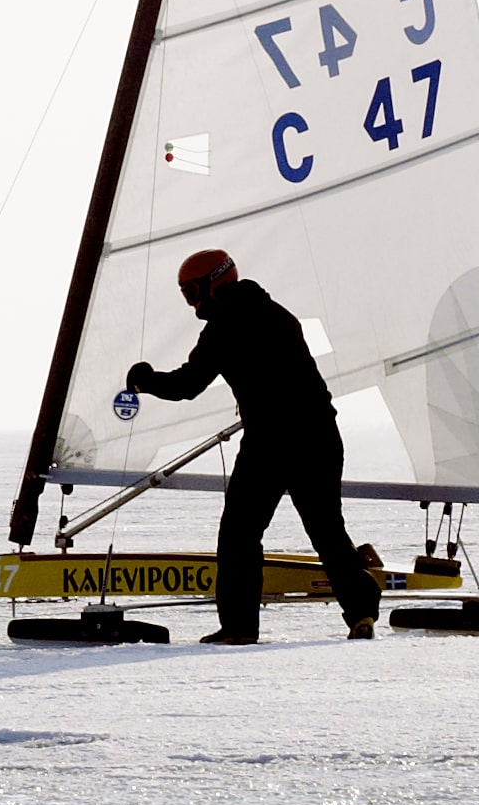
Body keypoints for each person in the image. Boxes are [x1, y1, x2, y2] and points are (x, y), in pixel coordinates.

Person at [121, 246, 380, 644]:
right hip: (319, 435)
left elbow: (187, 386)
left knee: (239, 534)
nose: (192, 303)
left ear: (216, 284)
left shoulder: (225, 326)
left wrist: (143, 380)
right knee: (326, 530)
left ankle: (239, 627)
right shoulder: (277, 313)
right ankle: (361, 610)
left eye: (192, 292)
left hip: (272, 442)